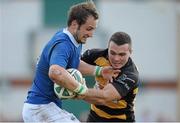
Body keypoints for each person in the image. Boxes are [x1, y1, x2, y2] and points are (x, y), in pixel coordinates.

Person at [22, 1, 118, 122]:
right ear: (74, 24)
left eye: (93, 29)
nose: (91, 34)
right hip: (40, 108)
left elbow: (74, 63)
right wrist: (81, 89)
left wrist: (99, 71)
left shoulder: (73, 39)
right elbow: (55, 72)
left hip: (43, 108)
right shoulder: (63, 44)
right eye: (88, 29)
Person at [80, 31, 140, 122]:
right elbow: (74, 64)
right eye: (112, 53)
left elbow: (103, 98)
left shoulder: (131, 74)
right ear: (108, 49)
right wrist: (98, 71)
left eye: (121, 54)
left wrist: (76, 90)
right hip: (94, 117)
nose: (116, 59)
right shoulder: (96, 55)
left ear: (130, 52)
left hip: (120, 120)